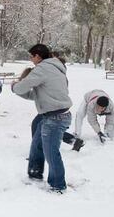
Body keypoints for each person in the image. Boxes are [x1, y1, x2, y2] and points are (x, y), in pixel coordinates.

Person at [11, 44, 72, 194]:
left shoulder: (43, 68)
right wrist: (19, 91)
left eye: (31, 56)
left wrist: (14, 87)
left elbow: (22, 86)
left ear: (38, 56)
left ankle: (58, 185)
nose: (31, 60)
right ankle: (35, 173)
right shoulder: (55, 68)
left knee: (51, 152)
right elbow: (37, 95)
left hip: (55, 117)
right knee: (37, 145)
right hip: (50, 115)